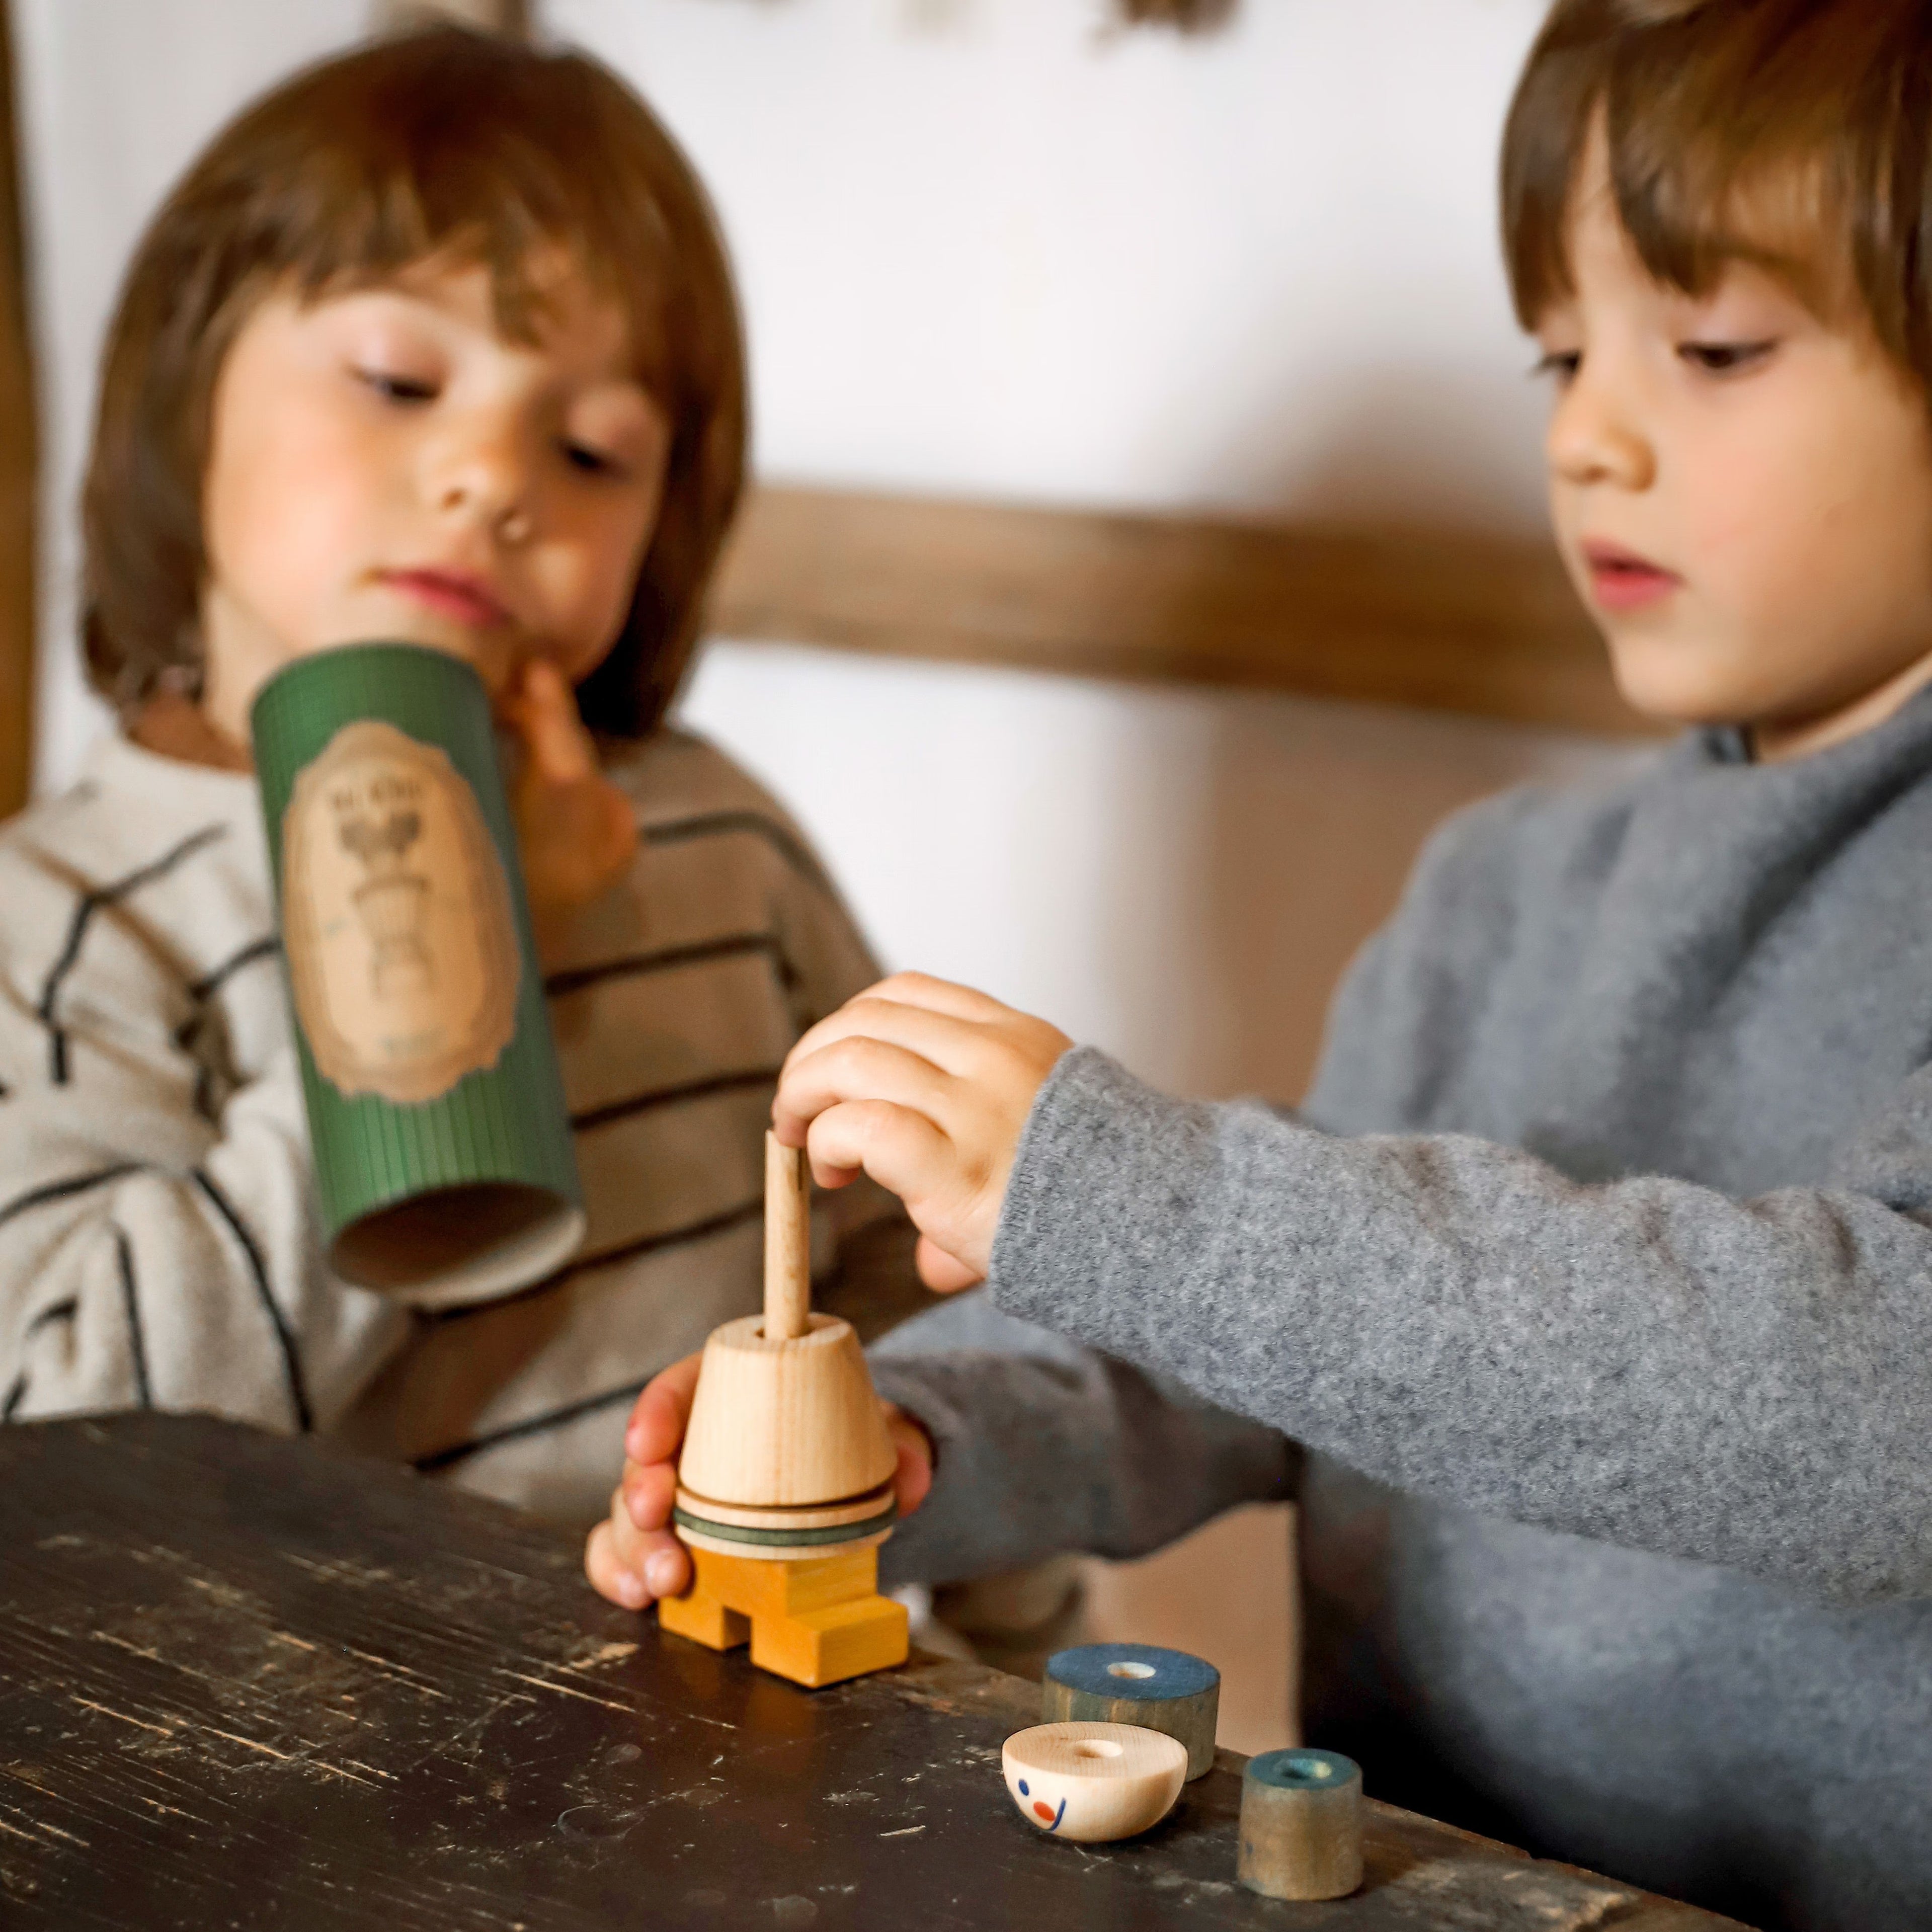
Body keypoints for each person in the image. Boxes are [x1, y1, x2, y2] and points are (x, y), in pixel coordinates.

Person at [588, 3, 1932, 1924]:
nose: (1589, 436)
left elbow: (1882, 1409)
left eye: (1713, 349)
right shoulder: (1504, 886)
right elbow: (1284, 1352)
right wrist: (927, 1440)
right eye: (1561, 354)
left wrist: (1131, 1191)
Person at [0, 26, 936, 1523]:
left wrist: (1008, 1640)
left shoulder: (716, 841)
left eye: (590, 450)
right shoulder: (68, 920)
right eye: (396, 378)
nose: (494, 475)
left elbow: (899, 1287)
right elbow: (69, 1439)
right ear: (188, 395)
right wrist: (483, 939)